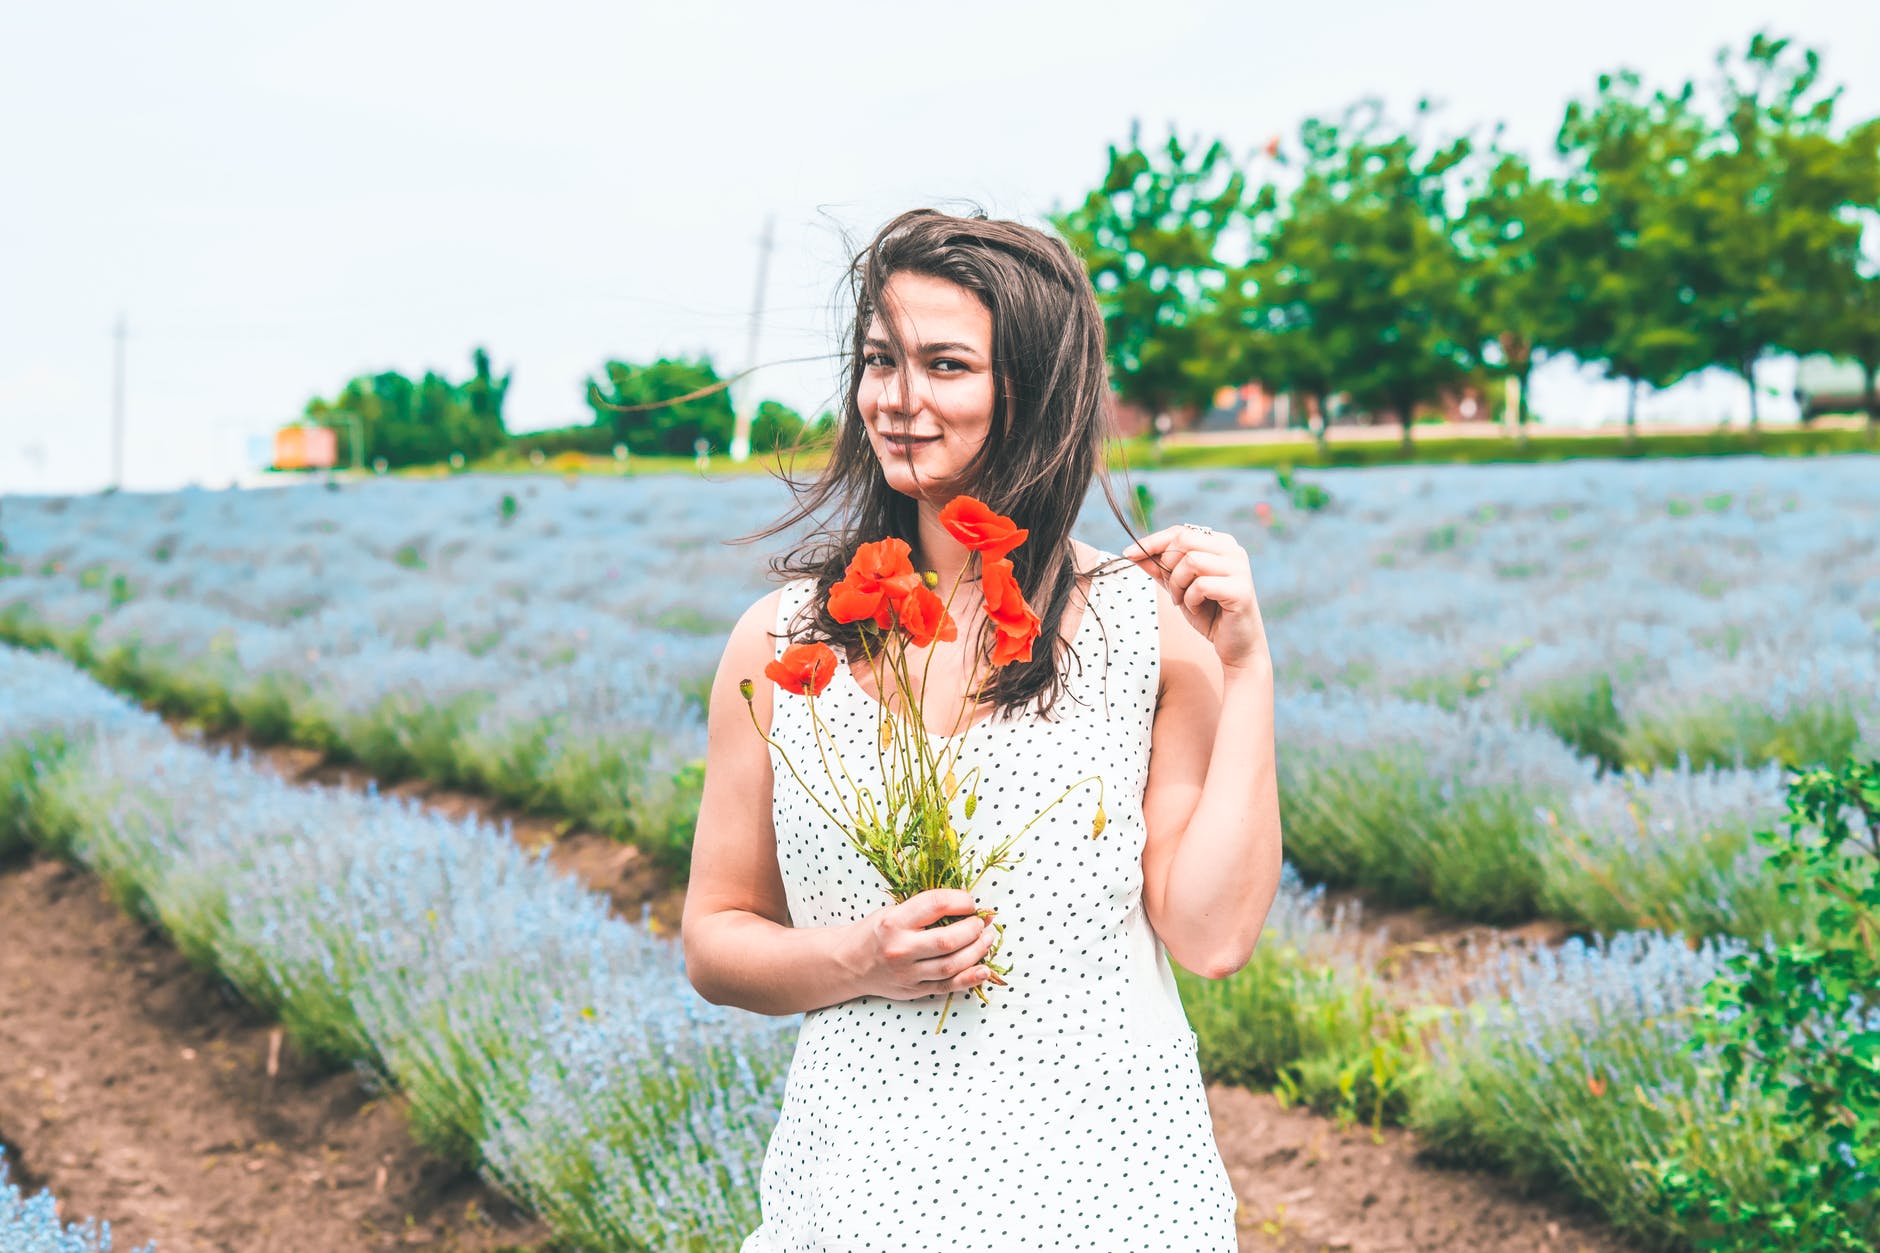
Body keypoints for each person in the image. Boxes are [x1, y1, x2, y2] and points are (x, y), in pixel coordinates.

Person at [683, 208, 1283, 1251]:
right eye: (879, 359)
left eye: (945, 363)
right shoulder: (776, 643)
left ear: (1033, 390)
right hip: (864, 1192)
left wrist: (1246, 667)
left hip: (1108, 1193)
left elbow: (1211, 933)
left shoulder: (1150, 636)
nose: (897, 399)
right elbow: (715, 935)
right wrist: (859, 958)